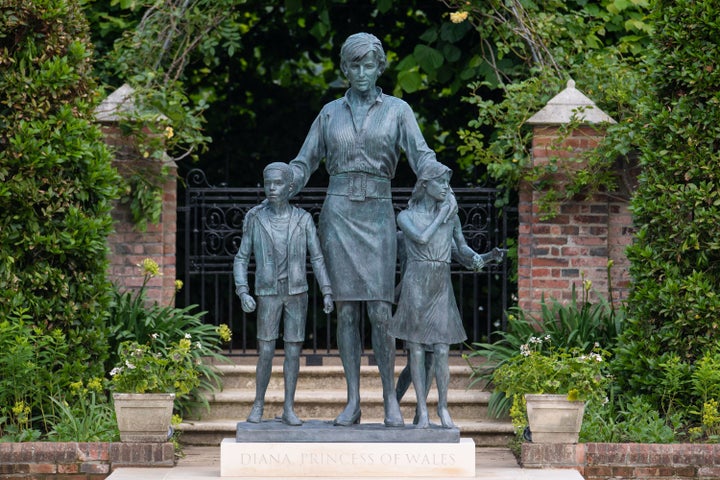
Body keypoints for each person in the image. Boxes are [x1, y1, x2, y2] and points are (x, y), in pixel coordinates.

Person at [287, 32, 455, 427]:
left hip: (379, 213)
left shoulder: (398, 110)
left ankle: (389, 401)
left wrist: (441, 183)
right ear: (345, 69)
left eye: (369, 65)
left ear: (379, 68)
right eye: (354, 65)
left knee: (381, 310)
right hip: (339, 213)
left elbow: (421, 155)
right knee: (346, 311)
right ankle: (352, 402)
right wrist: (283, 183)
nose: (362, 73)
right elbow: (305, 160)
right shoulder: (329, 113)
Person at [389, 162, 505, 428]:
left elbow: (462, 251)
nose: (446, 188)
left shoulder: (449, 217)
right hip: (416, 284)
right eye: (441, 182)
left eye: (447, 183)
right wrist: (442, 216)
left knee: (442, 350)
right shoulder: (406, 216)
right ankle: (422, 411)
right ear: (425, 185)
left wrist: (487, 258)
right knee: (416, 350)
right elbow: (420, 239)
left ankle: (442, 407)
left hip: (440, 285)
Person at [233, 162, 334, 426]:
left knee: (292, 351)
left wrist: (326, 290)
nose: (272, 188)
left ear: (290, 188)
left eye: (278, 184)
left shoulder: (303, 219)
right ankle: (258, 403)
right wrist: (242, 291)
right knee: (265, 351)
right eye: (268, 183)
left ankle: (289, 407)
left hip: (297, 292)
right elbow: (241, 258)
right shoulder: (255, 218)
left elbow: (318, 258)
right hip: (268, 292)